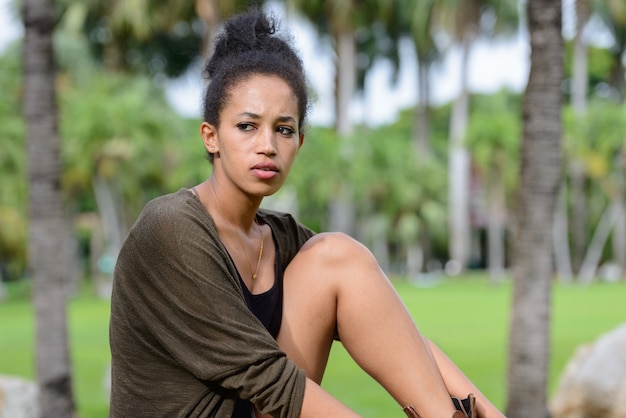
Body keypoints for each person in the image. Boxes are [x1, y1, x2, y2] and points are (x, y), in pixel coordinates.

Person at [109, 8, 506, 418]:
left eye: (283, 130)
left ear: (299, 141)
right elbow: (268, 379)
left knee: (338, 257)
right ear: (211, 137)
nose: (267, 145)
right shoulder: (171, 229)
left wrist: (488, 412)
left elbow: (397, 333)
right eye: (247, 126)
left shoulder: (279, 237)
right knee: (333, 257)